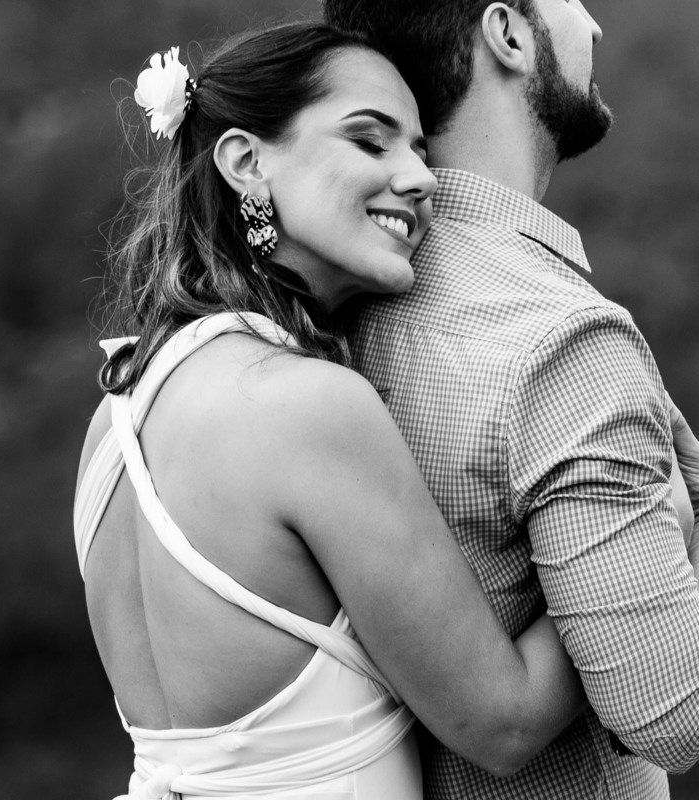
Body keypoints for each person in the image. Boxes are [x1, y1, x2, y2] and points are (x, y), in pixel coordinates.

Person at [74, 22, 602, 800]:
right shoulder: (307, 406)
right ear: (247, 163)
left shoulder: (118, 412)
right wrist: (654, 533)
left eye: (420, 150)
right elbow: (504, 724)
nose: (419, 178)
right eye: (370, 141)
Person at [322, 1, 699, 798]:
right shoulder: (562, 343)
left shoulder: (314, 304)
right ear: (509, 34)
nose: (595, 26)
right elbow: (677, 720)